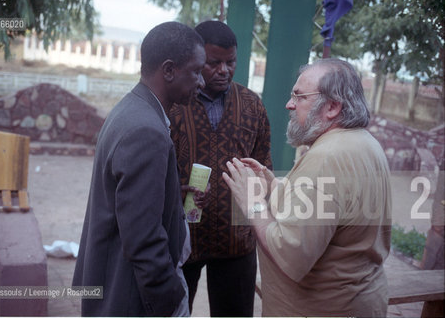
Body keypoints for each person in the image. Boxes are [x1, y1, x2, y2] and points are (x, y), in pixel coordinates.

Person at [223, 58, 392, 317]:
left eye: (300, 97)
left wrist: (253, 203)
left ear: (333, 107)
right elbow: (329, 214)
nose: (289, 104)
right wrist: (274, 184)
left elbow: (291, 255)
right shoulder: (364, 143)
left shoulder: (327, 158)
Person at [72, 22, 206, 317]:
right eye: (196, 71)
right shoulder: (146, 130)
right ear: (169, 70)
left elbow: (128, 202)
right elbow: (143, 238)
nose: (202, 82)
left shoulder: (131, 110)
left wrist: (170, 197)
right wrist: (169, 296)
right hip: (131, 295)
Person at [168, 20, 272, 316]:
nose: (224, 70)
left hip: (236, 243)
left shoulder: (253, 105)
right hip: (182, 239)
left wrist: (258, 223)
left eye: (231, 62)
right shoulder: (174, 104)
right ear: (197, 59)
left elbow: (264, 166)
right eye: (214, 63)